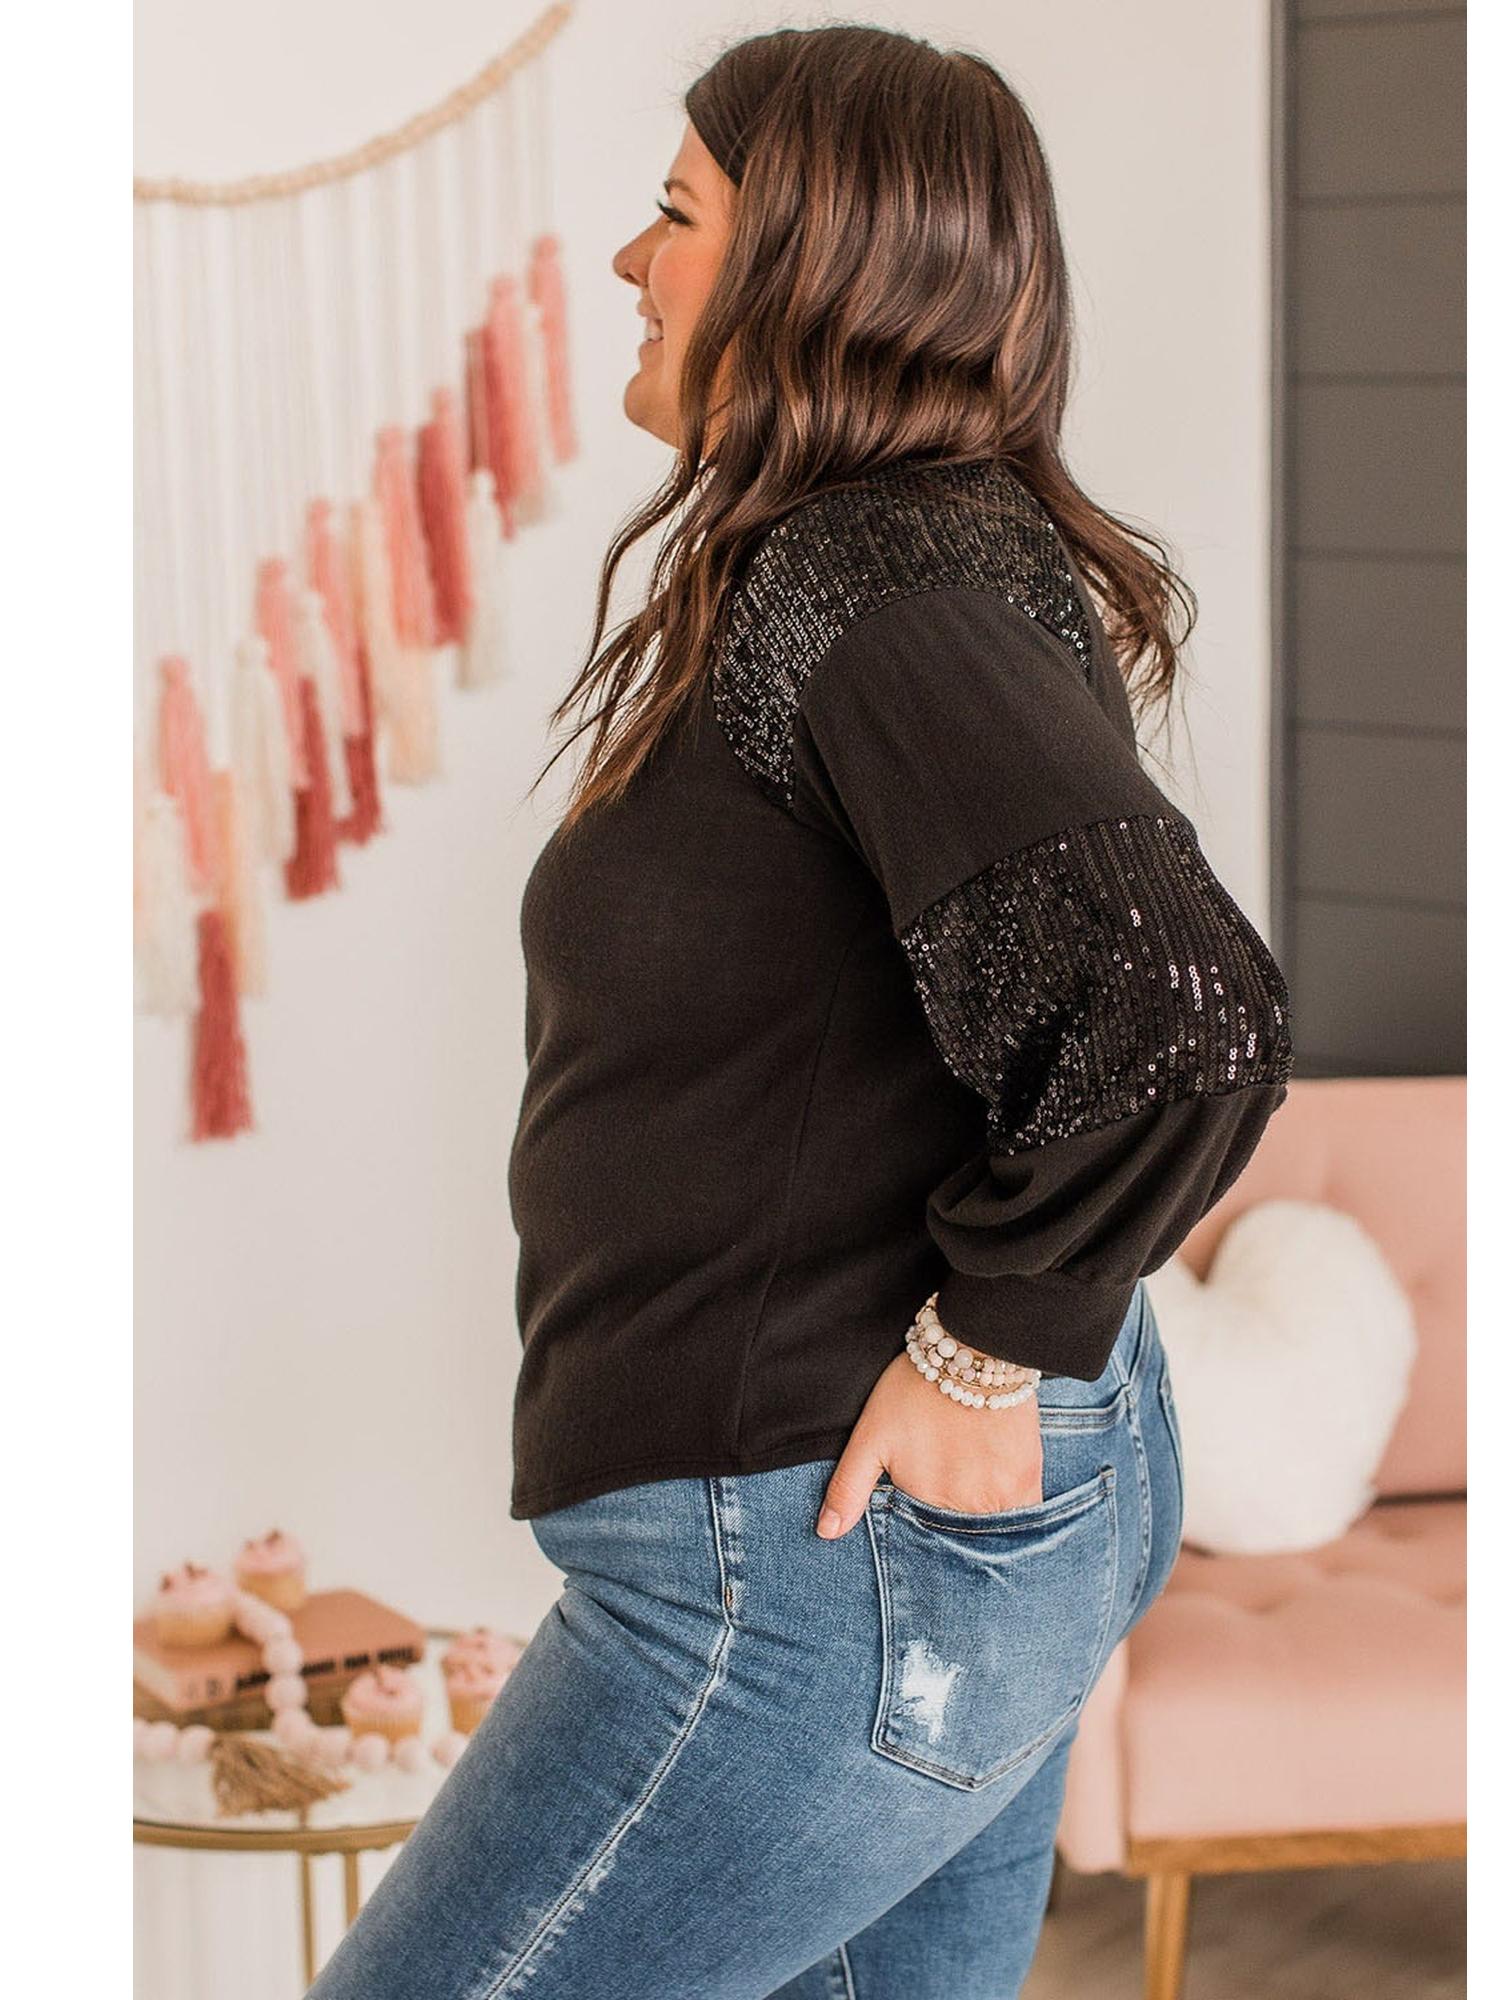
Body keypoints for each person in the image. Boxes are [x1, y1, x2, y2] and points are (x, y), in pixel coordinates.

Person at [310, 24, 1293, 1999]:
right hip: (891, 1552)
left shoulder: (875, 573)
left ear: (807, 267)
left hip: (823, 1563)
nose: (630, 261)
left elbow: (1182, 1012)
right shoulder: (898, 557)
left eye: (674, 214)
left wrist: (983, 1347)